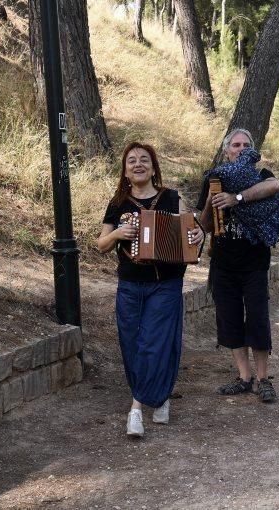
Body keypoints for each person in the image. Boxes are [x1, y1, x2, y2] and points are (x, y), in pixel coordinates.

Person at [97, 142, 204, 437]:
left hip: (165, 285)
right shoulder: (118, 204)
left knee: (154, 343)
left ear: (154, 167)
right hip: (130, 284)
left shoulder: (172, 198)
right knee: (132, 345)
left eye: (144, 160)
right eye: (131, 161)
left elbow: (194, 233)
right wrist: (119, 232)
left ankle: (135, 410)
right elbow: (101, 245)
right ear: (125, 170)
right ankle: (160, 396)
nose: (138, 164)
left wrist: (198, 234)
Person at [197, 128, 279, 403]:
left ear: (253, 151)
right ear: (226, 150)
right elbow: (205, 225)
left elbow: (276, 186)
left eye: (246, 144)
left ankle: (263, 379)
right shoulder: (215, 177)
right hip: (223, 262)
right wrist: (213, 198)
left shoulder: (262, 175)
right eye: (236, 145)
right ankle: (244, 378)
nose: (241, 148)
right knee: (229, 319)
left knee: (258, 318)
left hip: (255, 262)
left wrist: (236, 198)